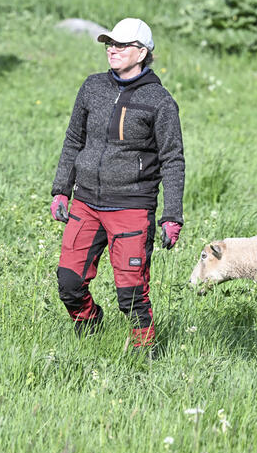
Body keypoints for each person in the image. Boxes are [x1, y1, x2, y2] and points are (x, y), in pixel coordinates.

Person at [50, 18, 185, 352]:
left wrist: (172, 216)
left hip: (131, 207)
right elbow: (74, 140)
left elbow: (172, 159)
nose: (112, 49)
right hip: (86, 203)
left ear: (142, 52)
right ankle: (90, 327)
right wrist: (61, 190)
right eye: (110, 43)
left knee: (132, 294)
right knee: (69, 283)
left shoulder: (159, 101)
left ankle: (144, 355)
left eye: (122, 45)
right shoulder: (92, 87)